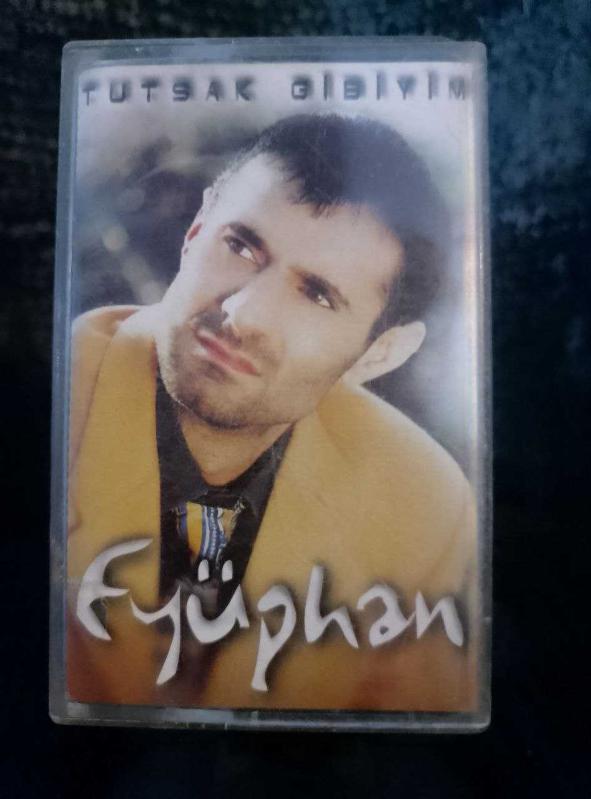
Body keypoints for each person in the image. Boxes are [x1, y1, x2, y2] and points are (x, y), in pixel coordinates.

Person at [67, 113, 478, 712]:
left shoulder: (426, 507)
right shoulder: (59, 391)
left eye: (317, 295)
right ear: (195, 231)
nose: (243, 313)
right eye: (239, 245)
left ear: (381, 353)